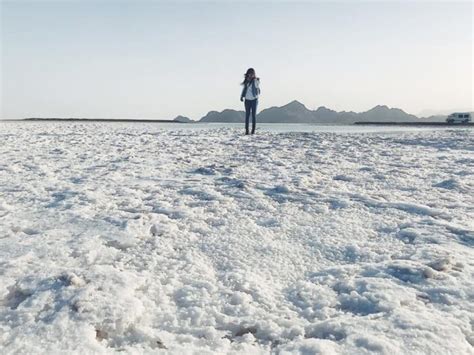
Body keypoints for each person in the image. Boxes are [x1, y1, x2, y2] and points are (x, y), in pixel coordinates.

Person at [240, 68, 260, 135]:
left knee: (253, 115)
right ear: (248, 74)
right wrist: (241, 96)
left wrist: (256, 80)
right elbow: (244, 89)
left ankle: (253, 131)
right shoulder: (246, 81)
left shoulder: (255, 81)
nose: (251, 75)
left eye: (252, 74)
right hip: (247, 100)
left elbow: (257, 87)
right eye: (250, 73)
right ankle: (247, 131)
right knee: (247, 115)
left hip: (254, 100)